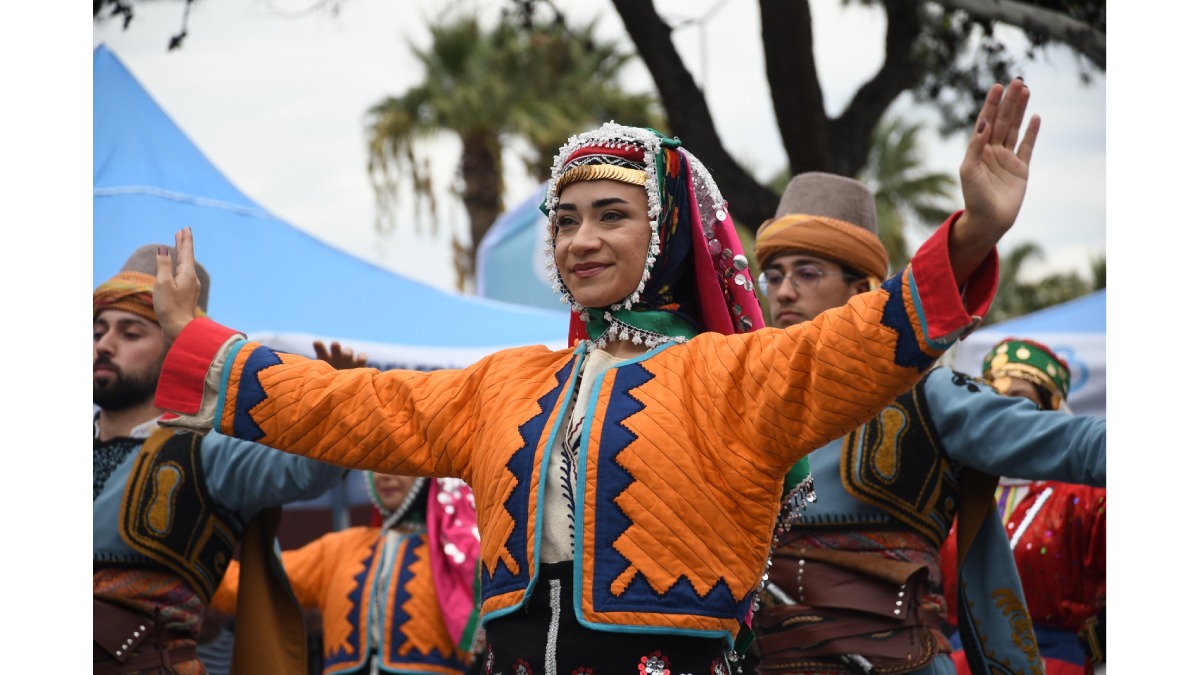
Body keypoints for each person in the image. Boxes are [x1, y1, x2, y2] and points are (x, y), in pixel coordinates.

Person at [150, 79, 1035, 673]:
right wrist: (201, 339)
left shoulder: (736, 376)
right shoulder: (500, 384)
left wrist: (971, 233)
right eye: (564, 220)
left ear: (669, 235)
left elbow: (859, 342)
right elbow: (353, 404)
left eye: (612, 215)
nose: (579, 240)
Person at [746, 171, 1105, 673]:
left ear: (863, 289)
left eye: (806, 272)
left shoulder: (929, 393)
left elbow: (1076, 444)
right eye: (774, 275)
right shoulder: (745, 398)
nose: (783, 291)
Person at [93, 245, 348, 674]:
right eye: (98, 330)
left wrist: (335, 414)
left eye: (130, 333)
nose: (104, 345)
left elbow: (304, 472)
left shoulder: (207, 447)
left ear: (175, 348)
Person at [209, 468, 484, 675]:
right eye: (377, 463)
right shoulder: (340, 549)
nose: (385, 475)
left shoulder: (463, 555)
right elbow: (245, 586)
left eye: (401, 465)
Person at [939, 338, 1106, 675]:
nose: (1002, 414)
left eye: (1020, 401)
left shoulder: (1088, 496)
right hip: (957, 664)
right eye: (992, 399)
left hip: (1052, 665)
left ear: (1050, 410)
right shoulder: (951, 489)